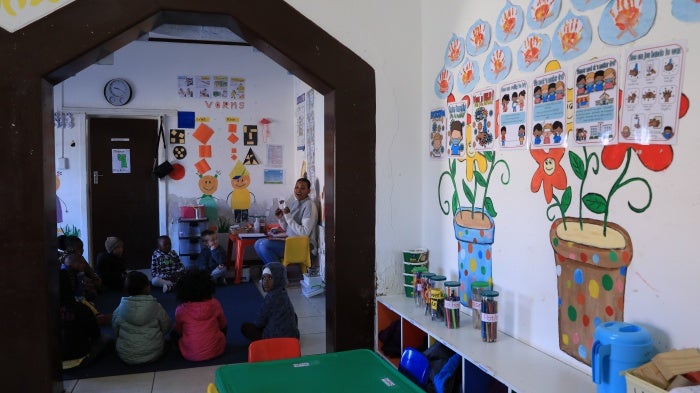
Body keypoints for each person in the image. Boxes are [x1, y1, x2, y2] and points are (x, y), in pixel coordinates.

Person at [112, 271, 172, 365]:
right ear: (147, 287)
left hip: (126, 355)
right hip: (154, 353)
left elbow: (115, 329)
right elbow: (166, 326)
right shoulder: (156, 306)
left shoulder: (119, 309)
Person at [254, 178, 318, 264]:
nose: (298, 190)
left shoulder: (309, 205)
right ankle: (275, 272)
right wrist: (281, 218)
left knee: (264, 245)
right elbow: (288, 228)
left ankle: (277, 274)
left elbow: (304, 232)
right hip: (291, 242)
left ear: (308, 191)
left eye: (302, 188)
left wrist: (287, 216)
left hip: (303, 247)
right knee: (258, 243)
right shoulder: (295, 203)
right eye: (296, 187)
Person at [59, 269, 111, 370]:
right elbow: (95, 335)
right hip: (79, 360)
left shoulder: (45, 311)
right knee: (107, 339)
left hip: (52, 364)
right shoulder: (81, 308)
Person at [174, 269, 227, 361]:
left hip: (189, 354)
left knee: (174, 334)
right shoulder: (214, 304)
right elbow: (223, 325)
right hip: (217, 351)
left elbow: (178, 330)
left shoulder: (181, 309)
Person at [240, 262, 300, 341]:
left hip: (275, 340)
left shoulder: (271, 298)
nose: (265, 281)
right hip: (293, 338)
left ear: (278, 278)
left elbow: (259, 322)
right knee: (293, 315)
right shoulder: (283, 293)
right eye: (264, 278)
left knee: (246, 327)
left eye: (270, 278)